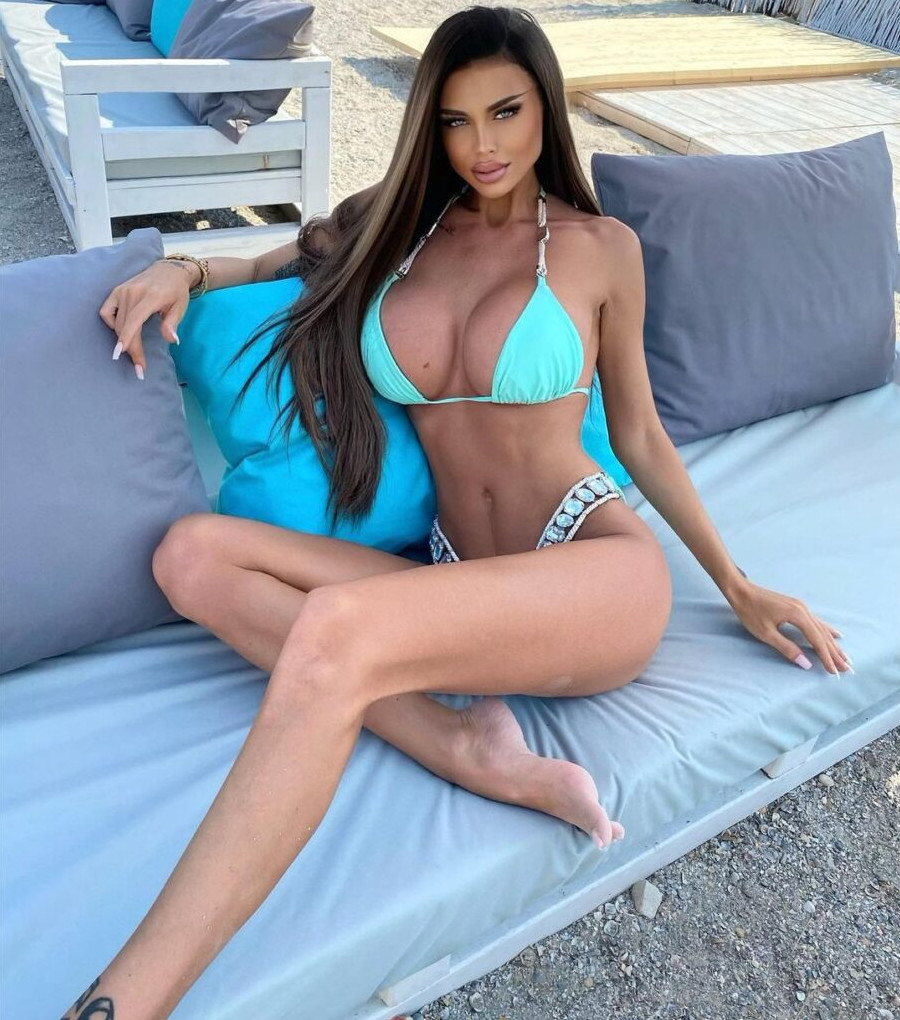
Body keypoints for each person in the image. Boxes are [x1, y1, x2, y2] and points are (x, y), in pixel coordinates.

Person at [63, 6, 851, 1018]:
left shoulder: (599, 248)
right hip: (456, 573)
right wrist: (178, 267)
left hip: (589, 566)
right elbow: (261, 265)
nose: (483, 145)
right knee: (190, 555)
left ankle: (121, 1003)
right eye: (456, 120)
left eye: (506, 112)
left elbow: (643, 436)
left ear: (545, 109)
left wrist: (736, 585)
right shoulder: (394, 231)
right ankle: (463, 747)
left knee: (337, 631)